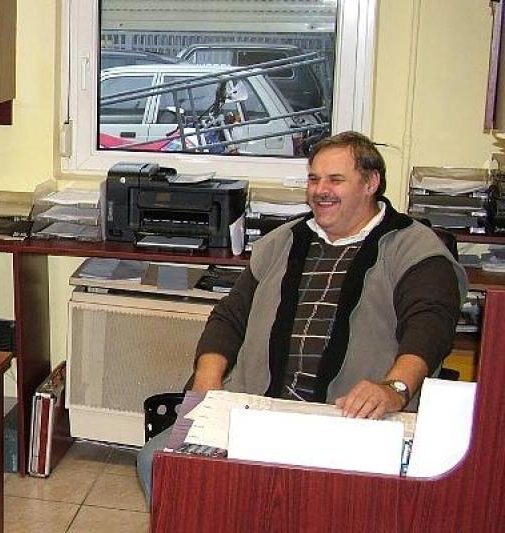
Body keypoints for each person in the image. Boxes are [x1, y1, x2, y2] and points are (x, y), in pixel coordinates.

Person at [137, 131, 467, 501]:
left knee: (328, 501)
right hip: (258, 408)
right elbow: (229, 317)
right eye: (314, 179)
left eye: (335, 180)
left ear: (371, 183)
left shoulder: (414, 249)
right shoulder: (281, 241)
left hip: (352, 419)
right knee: (156, 463)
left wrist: (395, 388)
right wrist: (207, 383)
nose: (320, 190)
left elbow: (430, 325)